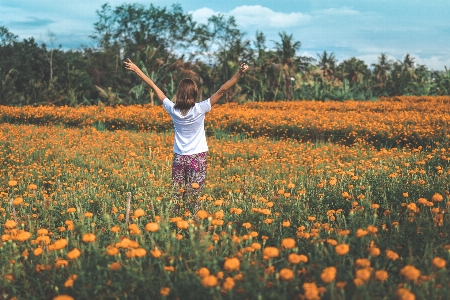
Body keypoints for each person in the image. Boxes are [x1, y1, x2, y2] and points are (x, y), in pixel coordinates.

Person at [124, 58, 249, 212]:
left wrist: (136, 69)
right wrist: (239, 73)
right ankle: (192, 225)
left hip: (179, 157)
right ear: (194, 93)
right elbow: (222, 90)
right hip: (197, 158)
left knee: (177, 196)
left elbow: (154, 87)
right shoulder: (200, 108)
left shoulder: (172, 109)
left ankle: (175, 225)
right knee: (194, 197)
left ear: (179, 93)